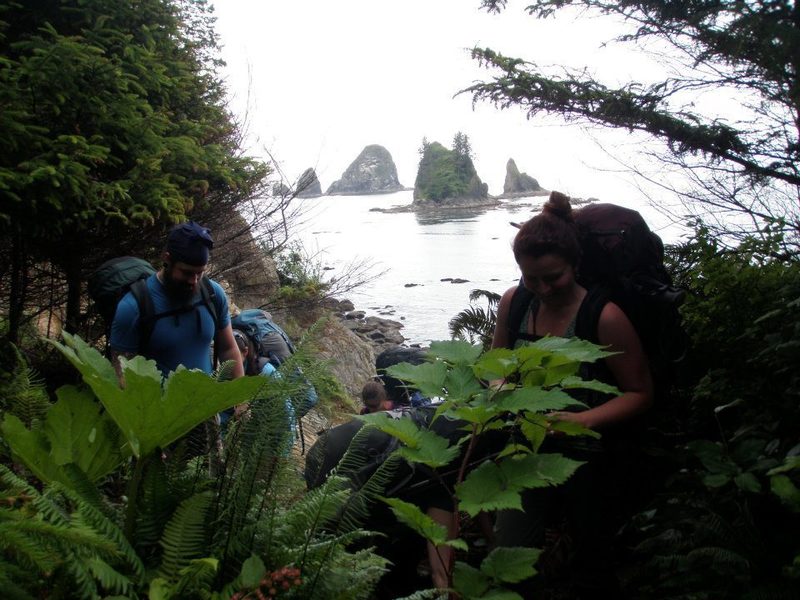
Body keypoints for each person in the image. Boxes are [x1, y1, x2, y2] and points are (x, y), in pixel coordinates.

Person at [490, 191, 653, 596]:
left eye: (554, 276)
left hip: (591, 455)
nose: (543, 288)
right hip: (526, 447)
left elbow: (640, 391)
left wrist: (582, 420)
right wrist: (503, 391)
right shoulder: (515, 303)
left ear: (575, 264)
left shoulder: (604, 316)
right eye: (532, 278)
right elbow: (495, 366)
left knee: (593, 559)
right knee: (509, 552)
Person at [109, 221, 244, 381]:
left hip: (206, 404)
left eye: (200, 273)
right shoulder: (133, 307)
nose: (194, 280)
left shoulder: (213, 294)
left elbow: (228, 349)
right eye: (186, 272)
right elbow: (122, 375)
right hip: (157, 405)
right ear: (167, 259)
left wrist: (239, 400)